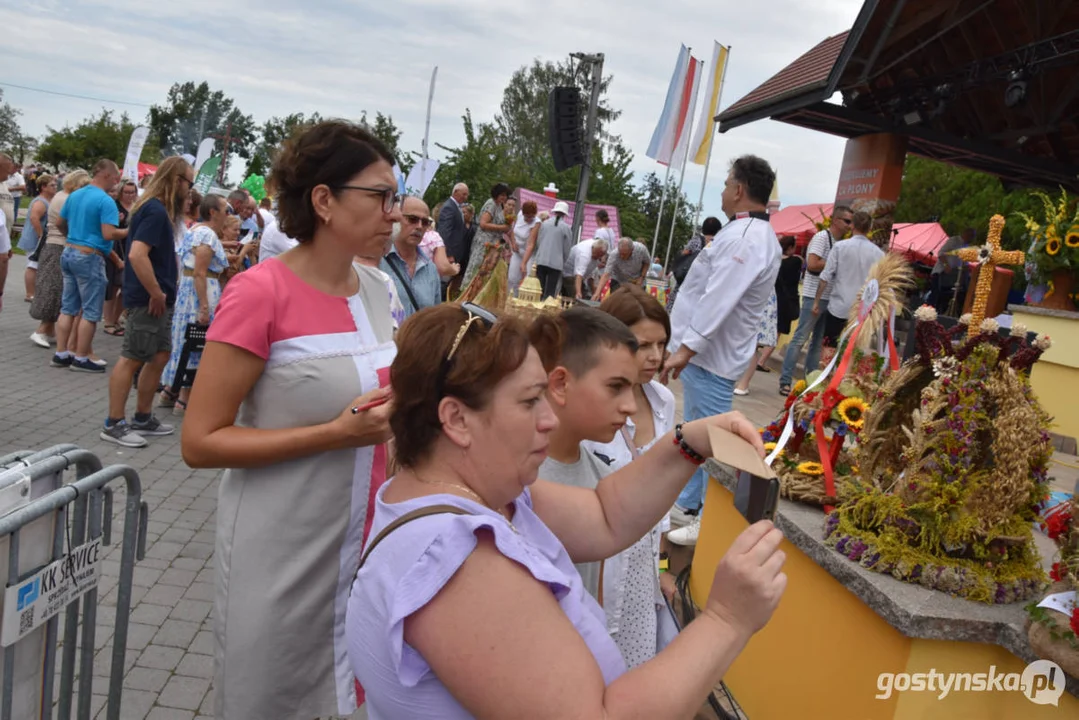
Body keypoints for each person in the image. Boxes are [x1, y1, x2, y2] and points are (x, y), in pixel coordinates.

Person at [346, 302, 787, 719]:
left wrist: (690, 441)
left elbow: (605, 515)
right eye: (529, 400)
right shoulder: (458, 560)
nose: (549, 419)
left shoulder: (466, 494)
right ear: (457, 419)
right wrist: (728, 618)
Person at [181, 120, 400, 720]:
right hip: (282, 547)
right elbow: (199, 441)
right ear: (324, 200)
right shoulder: (260, 292)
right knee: (274, 698)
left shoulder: (379, 289)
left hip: (363, 545)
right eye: (379, 196)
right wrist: (333, 434)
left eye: (395, 195)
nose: (395, 212)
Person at [663, 155, 782, 546]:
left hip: (711, 356)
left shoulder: (747, 238)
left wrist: (687, 348)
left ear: (739, 189)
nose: (722, 189)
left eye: (726, 182)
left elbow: (719, 298)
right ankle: (689, 504)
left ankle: (700, 512)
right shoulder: (748, 233)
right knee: (699, 429)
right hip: (710, 354)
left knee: (709, 436)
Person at [587, 285, 678, 668]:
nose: (655, 357)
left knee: (635, 667)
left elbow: (663, 499)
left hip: (641, 570)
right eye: (643, 345)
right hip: (596, 566)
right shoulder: (589, 404)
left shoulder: (663, 402)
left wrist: (662, 569)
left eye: (662, 344)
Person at [538, 307, 640, 599]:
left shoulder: (603, 477)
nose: (630, 405)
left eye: (633, 389)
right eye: (615, 387)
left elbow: (593, 594)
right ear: (560, 384)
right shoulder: (508, 480)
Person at [101, 156, 192, 447]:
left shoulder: (157, 210)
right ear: (176, 181)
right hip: (148, 298)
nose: (190, 190)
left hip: (158, 297)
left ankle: (142, 416)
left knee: (159, 355)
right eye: (188, 183)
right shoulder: (154, 211)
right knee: (133, 357)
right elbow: (137, 255)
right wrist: (155, 292)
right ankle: (114, 423)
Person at [158, 193, 231, 415]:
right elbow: (200, 272)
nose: (228, 215)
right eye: (225, 210)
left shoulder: (196, 231)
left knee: (184, 339)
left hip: (190, 292)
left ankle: (170, 391)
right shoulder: (206, 236)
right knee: (196, 340)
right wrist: (204, 307)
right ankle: (184, 397)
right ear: (213, 212)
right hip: (199, 294)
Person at [52, 159, 128, 373]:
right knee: (90, 311)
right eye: (116, 178)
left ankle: (61, 353)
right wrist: (130, 231)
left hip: (69, 252)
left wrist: (73, 238)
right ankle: (81, 357)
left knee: (68, 307)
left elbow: (59, 223)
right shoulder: (105, 201)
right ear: (106, 175)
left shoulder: (76, 194)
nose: (117, 182)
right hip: (90, 256)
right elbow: (109, 233)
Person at [777, 205, 853, 395]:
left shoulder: (838, 242)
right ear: (836, 220)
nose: (849, 226)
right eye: (847, 221)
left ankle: (810, 382)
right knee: (800, 338)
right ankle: (785, 380)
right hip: (814, 296)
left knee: (817, 342)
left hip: (830, 297)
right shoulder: (822, 238)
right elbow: (812, 263)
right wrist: (835, 262)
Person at [30, 170, 90, 348]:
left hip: (55, 245)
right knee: (55, 289)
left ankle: (48, 330)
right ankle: (42, 329)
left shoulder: (60, 196)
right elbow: (68, 223)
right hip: (59, 245)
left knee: (56, 288)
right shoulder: (66, 198)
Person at [814, 210, 885, 346]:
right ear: (870, 228)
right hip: (863, 310)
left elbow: (825, 276)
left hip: (838, 306)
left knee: (829, 349)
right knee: (853, 351)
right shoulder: (879, 254)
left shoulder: (839, 247)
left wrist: (816, 301)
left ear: (852, 225)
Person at [380, 196, 441, 317]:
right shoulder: (377, 261)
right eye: (412, 219)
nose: (419, 226)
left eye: (425, 222)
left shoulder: (431, 269)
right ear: (396, 219)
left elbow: (435, 317)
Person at [103, 178, 138, 336]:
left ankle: (116, 319)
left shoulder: (137, 207)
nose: (130, 195)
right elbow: (108, 229)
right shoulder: (114, 206)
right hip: (116, 248)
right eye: (127, 192)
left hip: (131, 248)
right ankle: (109, 321)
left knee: (126, 287)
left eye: (133, 192)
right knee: (113, 287)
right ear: (120, 192)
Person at [460, 183, 511, 289]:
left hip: (493, 244)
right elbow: (483, 224)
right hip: (484, 243)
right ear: (496, 194)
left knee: (485, 271)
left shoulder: (499, 206)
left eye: (506, 195)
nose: (504, 197)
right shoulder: (491, 204)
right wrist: (502, 228)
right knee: (477, 268)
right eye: (502, 195)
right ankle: (467, 292)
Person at [19, 173, 56, 303]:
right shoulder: (40, 201)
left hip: (38, 237)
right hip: (35, 238)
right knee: (33, 265)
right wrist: (41, 235)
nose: (55, 187)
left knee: (37, 265)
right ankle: (30, 294)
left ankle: (36, 292)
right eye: (52, 185)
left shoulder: (47, 201)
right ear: (43, 187)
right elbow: (34, 218)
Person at [531, 200, 574, 300]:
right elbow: (567, 248)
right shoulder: (566, 228)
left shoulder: (544, 224)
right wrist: (563, 260)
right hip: (556, 263)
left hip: (541, 260)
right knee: (550, 291)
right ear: (564, 214)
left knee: (539, 288)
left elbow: (539, 241)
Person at [928, 227, 973, 314]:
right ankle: (927, 313)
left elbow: (964, 263)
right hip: (941, 273)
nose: (972, 239)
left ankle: (942, 313)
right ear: (966, 234)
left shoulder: (966, 247)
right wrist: (946, 265)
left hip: (952, 277)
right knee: (936, 295)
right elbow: (941, 253)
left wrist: (967, 269)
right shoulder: (954, 241)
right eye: (971, 236)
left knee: (946, 297)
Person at [436, 182, 469, 296]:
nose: (465, 197)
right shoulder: (449, 207)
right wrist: (448, 253)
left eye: (467, 195)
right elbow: (444, 232)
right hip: (449, 254)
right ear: (455, 192)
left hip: (456, 252)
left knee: (448, 282)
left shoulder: (456, 207)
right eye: (463, 194)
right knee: (443, 282)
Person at [508, 200, 541, 290]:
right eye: (527, 216)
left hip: (529, 254)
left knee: (527, 281)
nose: (529, 219)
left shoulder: (536, 223)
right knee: (512, 278)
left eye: (531, 216)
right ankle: (510, 298)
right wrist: (513, 242)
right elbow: (513, 230)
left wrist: (524, 263)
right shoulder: (519, 215)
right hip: (517, 251)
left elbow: (531, 244)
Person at [774, 235, 802, 338]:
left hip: (772, 298)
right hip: (786, 301)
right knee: (778, 331)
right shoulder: (796, 261)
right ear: (790, 247)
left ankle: (754, 353)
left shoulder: (774, 261)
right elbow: (801, 259)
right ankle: (764, 355)